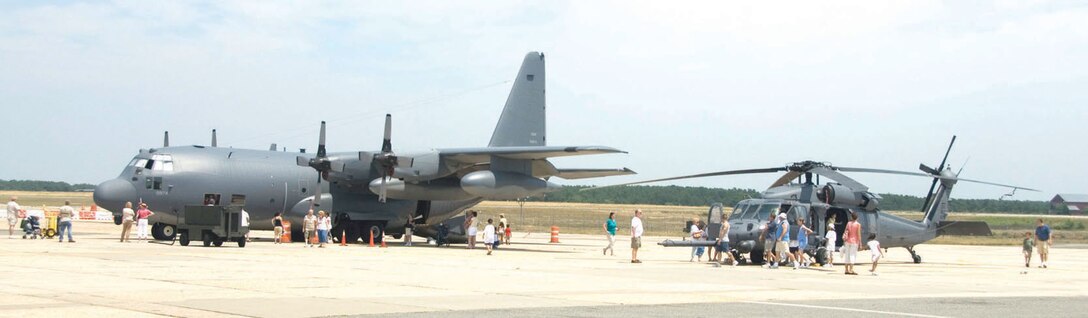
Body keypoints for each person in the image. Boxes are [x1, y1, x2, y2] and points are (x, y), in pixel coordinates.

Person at [843, 211, 861, 275]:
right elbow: (858, 234)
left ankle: (846, 270)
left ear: (851, 217)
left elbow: (845, 231)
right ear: (857, 217)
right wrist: (860, 243)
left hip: (847, 241)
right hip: (854, 241)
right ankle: (851, 269)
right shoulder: (858, 224)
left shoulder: (848, 223)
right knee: (852, 255)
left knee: (847, 255)